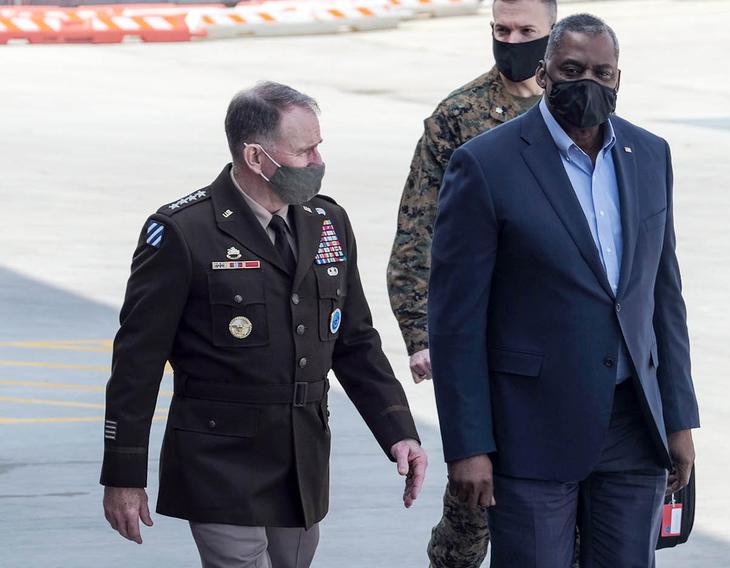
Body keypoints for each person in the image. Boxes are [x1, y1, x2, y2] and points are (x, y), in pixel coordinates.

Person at [101, 81, 427, 568]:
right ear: (255, 157)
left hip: (301, 457)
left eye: (319, 146)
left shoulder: (327, 222)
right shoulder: (183, 232)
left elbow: (355, 340)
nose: (317, 160)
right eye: (303, 150)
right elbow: (136, 364)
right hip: (220, 459)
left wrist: (399, 429)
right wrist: (124, 474)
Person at [429, 13, 699, 568]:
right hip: (531, 428)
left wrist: (678, 418)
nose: (588, 83)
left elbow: (663, 296)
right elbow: (456, 321)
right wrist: (468, 444)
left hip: (631, 423)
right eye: (573, 69)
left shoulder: (650, 155)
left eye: (603, 73)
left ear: (618, 80)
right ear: (546, 73)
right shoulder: (485, 164)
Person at [386, 0, 555, 565]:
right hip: (480, 348)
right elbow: (416, 233)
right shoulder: (459, 116)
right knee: (470, 508)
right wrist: (419, 333)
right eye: (502, 30)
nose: (512, 40)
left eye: (526, 31)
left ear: (553, 34)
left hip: (562, 346)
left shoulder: (578, 108)